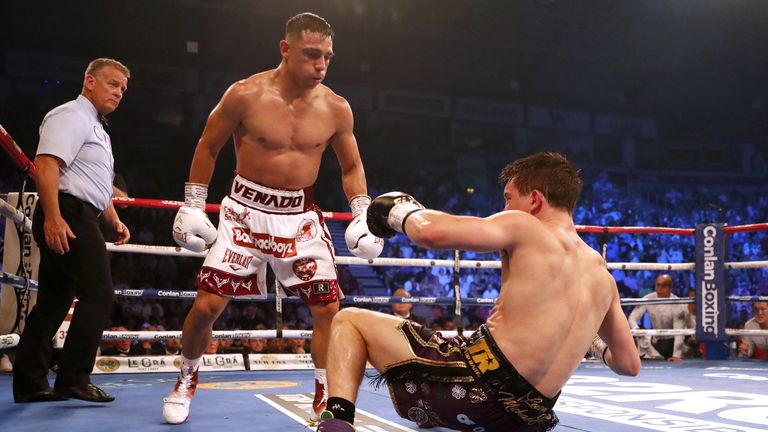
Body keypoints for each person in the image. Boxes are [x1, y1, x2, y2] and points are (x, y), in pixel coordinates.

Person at [315, 152, 640, 432]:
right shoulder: (602, 277)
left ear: (536, 199)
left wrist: (399, 211)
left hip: (474, 389)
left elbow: (433, 233)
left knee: (349, 320)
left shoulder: (526, 226)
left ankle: (336, 423)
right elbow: (628, 363)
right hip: (529, 419)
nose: (505, 206)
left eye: (509, 197)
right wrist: (592, 341)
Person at [164, 12, 383, 424]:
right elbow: (207, 146)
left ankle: (325, 392)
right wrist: (194, 203)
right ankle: (186, 378)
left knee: (327, 308)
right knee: (208, 304)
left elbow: (351, 167)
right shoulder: (245, 94)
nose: (321, 65)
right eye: (312, 55)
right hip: (244, 212)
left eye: (328, 58)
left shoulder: (336, 107)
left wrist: (361, 212)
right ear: (285, 49)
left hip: (299, 215)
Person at [13, 58, 131, 403]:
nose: (118, 93)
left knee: (53, 301)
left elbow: (96, 183)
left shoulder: (98, 128)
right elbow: (47, 165)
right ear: (89, 81)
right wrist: (52, 217)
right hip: (67, 213)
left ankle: (30, 382)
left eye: (122, 89)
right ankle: (73, 378)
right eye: (112, 84)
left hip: (81, 214)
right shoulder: (70, 116)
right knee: (98, 294)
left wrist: (113, 220)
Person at [627, 274, 686, 361]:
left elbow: (679, 332)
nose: (660, 288)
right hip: (656, 340)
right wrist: (637, 330)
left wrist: (676, 355)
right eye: (658, 285)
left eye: (664, 286)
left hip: (670, 341)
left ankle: (653, 355)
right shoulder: (648, 298)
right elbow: (632, 318)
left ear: (670, 287)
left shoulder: (677, 304)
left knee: (668, 345)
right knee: (635, 334)